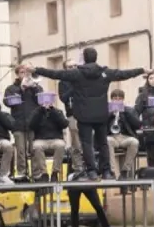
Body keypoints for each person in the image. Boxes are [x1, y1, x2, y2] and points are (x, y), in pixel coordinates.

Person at [29, 50, 145, 181]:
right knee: (103, 144)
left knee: (87, 144)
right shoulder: (105, 73)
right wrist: (142, 70)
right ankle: (106, 171)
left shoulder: (77, 73)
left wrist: (36, 69)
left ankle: (92, 172)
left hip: (83, 115)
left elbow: (55, 74)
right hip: (101, 114)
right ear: (96, 58)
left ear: (84, 59)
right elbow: (124, 74)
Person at [4, 64, 42, 180]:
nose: (25, 74)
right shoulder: (11, 88)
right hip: (18, 123)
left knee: (34, 149)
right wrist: (21, 89)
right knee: (21, 151)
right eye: (22, 72)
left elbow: (41, 100)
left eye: (27, 72)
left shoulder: (36, 87)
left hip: (33, 123)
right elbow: (7, 102)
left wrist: (34, 87)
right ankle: (22, 173)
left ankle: (36, 174)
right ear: (17, 74)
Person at [27, 93, 68, 181]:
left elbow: (64, 124)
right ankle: (44, 173)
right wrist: (40, 111)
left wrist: (52, 111)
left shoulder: (58, 112)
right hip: (41, 139)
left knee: (61, 145)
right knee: (36, 146)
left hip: (55, 139)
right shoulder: (36, 112)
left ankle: (55, 172)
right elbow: (31, 125)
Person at [106, 89, 142, 179]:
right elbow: (100, 125)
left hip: (125, 137)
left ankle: (125, 171)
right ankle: (112, 171)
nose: (117, 101)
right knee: (107, 141)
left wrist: (125, 112)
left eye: (119, 99)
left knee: (135, 142)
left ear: (123, 99)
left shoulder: (129, 110)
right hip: (112, 137)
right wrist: (111, 114)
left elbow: (138, 124)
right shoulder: (106, 110)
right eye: (115, 98)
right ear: (111, 100)